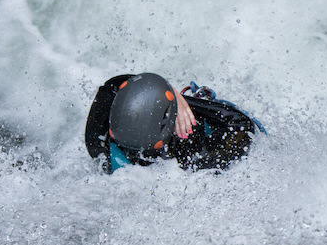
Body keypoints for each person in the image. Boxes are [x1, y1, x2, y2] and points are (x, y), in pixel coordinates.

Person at [84, 73, 264, 172]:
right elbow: (244, 124)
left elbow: (113, 85)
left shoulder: (98, 145)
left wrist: (172, 95)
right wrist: (180, 103)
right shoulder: (195, 156)